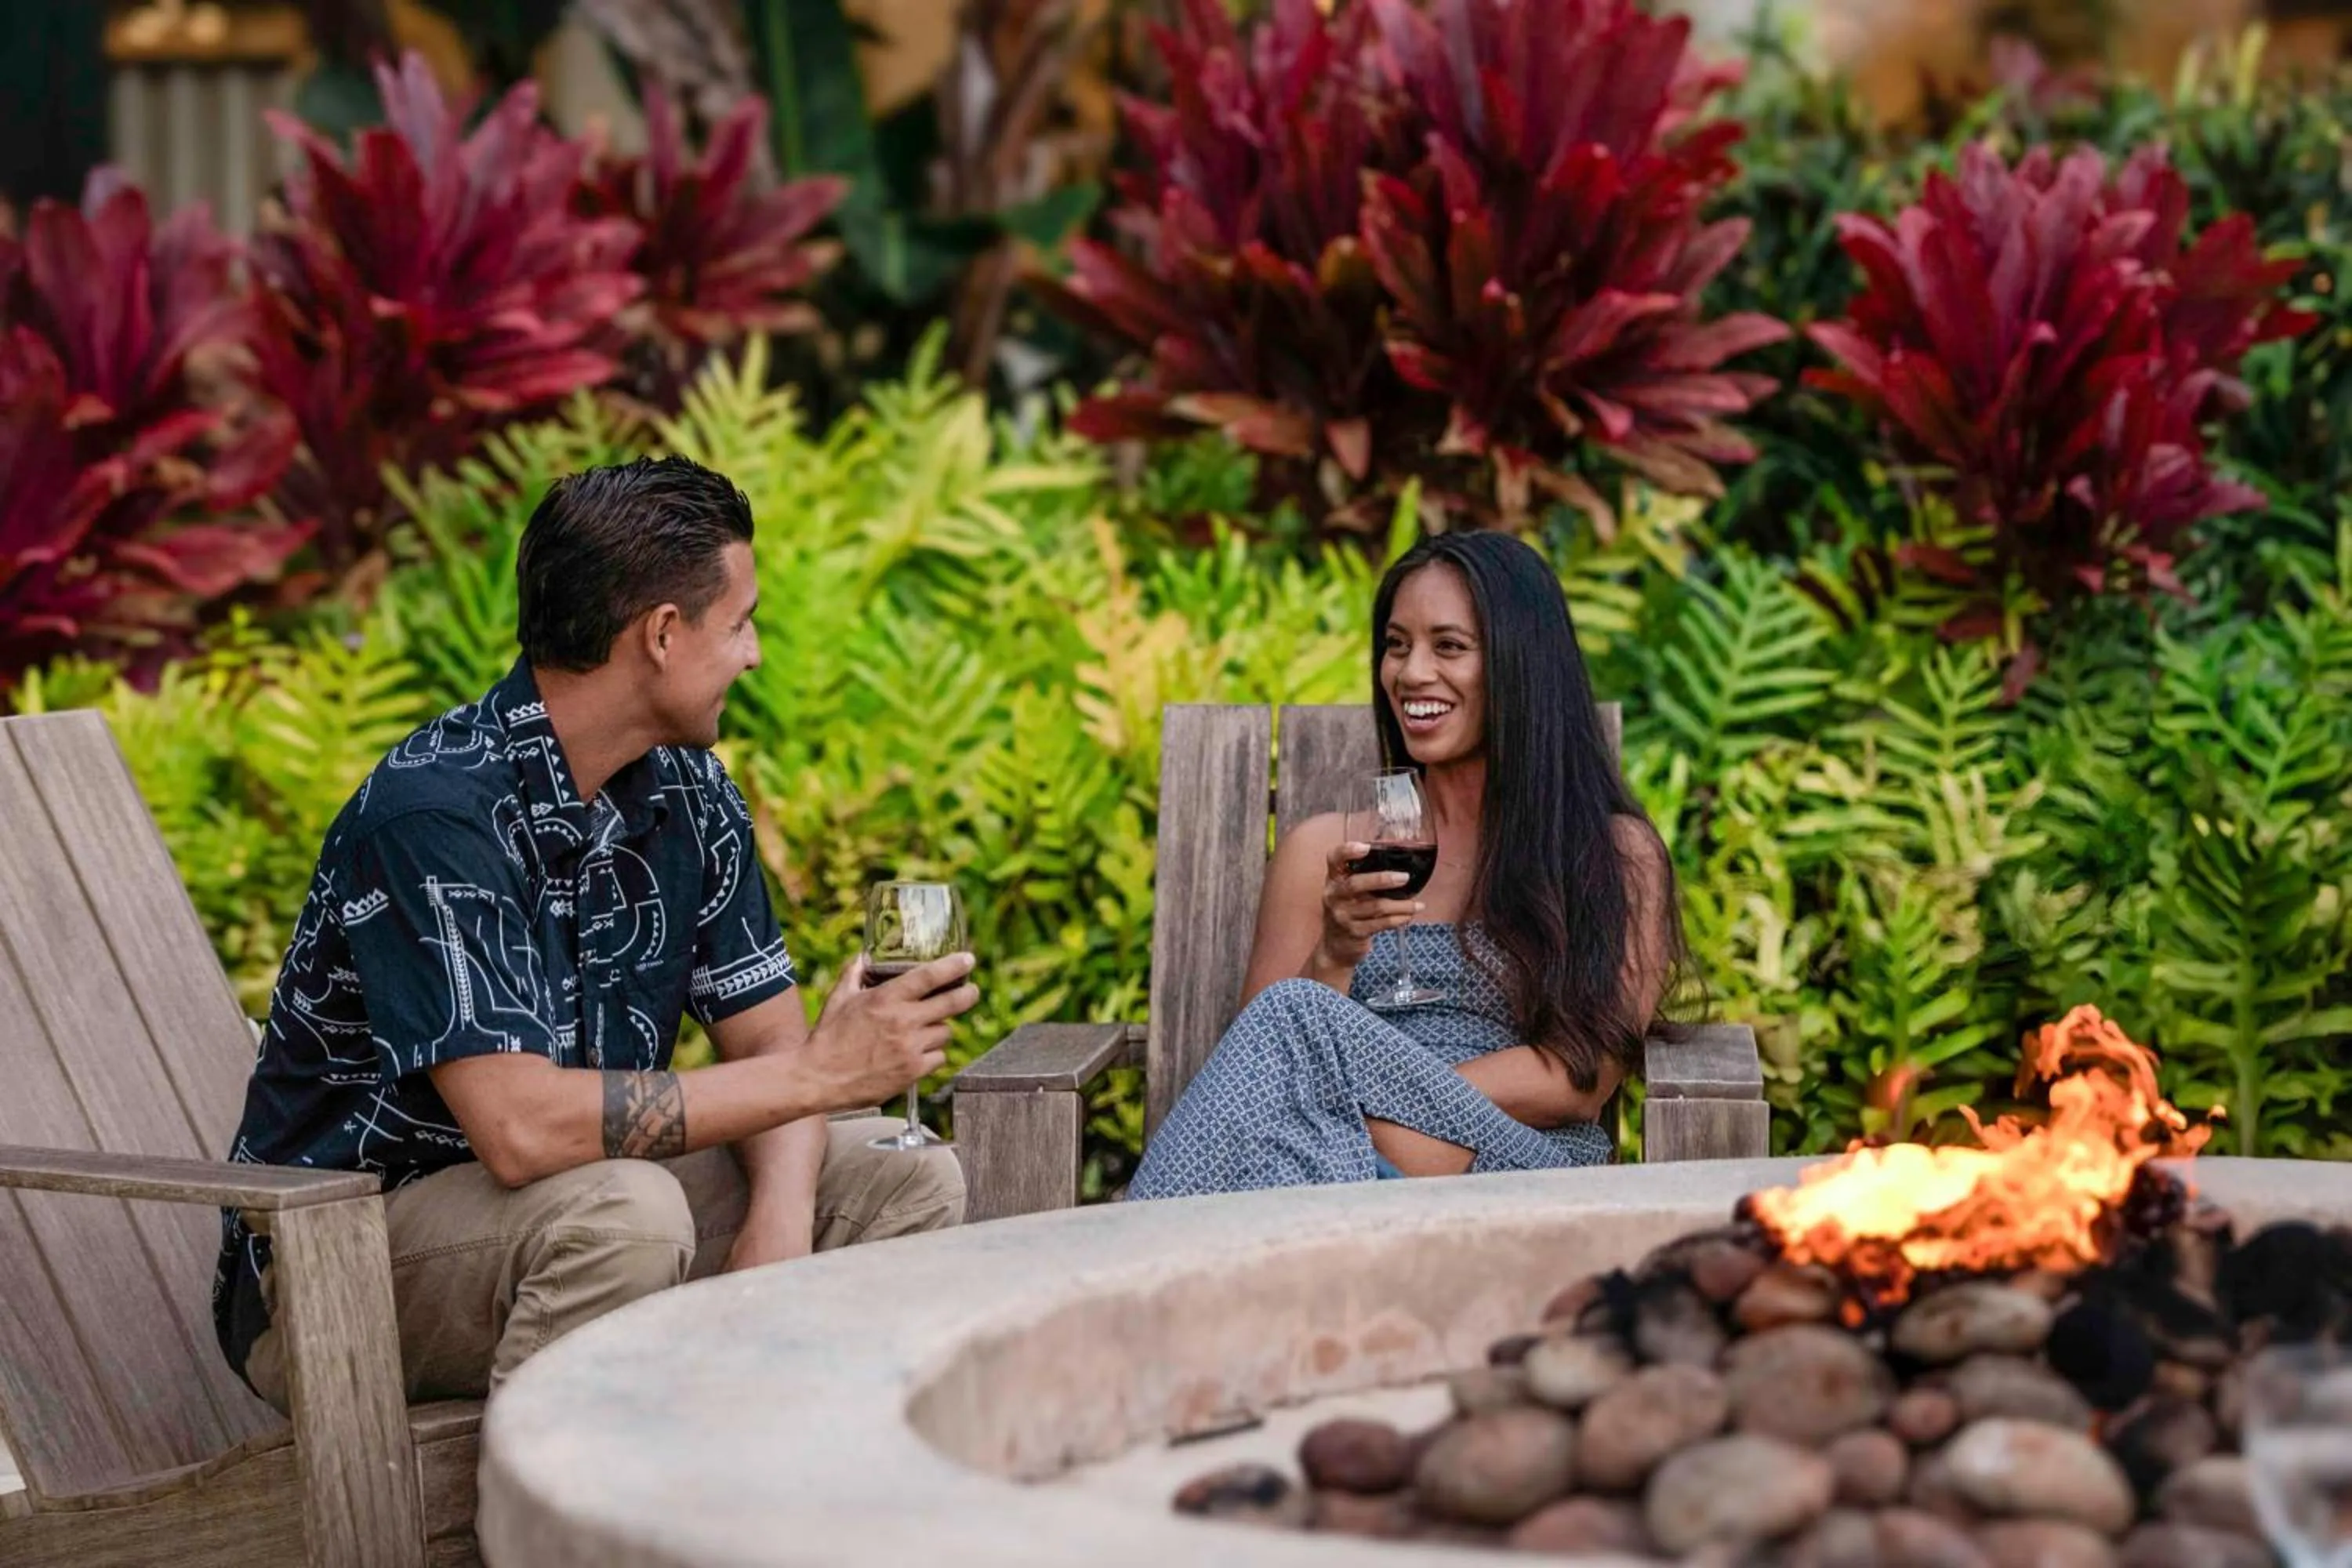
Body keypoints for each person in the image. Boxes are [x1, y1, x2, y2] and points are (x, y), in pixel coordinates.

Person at [212, 456, 972, 1408]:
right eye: (740, 623)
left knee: (903, 1180)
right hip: (340, 1257)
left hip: (575, 1209)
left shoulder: (688, 790)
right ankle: (555, 1529)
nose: (754, 652)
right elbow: (521, 1131)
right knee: (628, 1212)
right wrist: (823, 1072)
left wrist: (774, 1226)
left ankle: (776, 1493)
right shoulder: (434, 815)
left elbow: (768, 1033)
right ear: (661, 634)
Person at [1127, 531, 1688, 1199]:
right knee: (1291, 1018)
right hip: (1320, 1171)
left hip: (1511, 1173)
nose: (1411, 672)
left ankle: (1128, 1257)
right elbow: (1257, 1074)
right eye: (1397, 645)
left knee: (1294, 1024)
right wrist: (1334, 954)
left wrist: (1378, 1107)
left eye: (1448, 646)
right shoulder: (1325, 852)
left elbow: (1581, 1078)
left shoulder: (1614, 857)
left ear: (1520, 664)